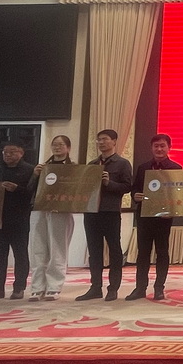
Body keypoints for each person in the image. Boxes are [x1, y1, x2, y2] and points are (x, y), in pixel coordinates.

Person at [76, 129, 133, 302]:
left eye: (105, 139)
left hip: (110, 212)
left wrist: (109, 183)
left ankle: (113, 288)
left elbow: (127, 187)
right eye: (99, 140)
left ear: (114, 141)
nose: (101, 142)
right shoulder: (92, 164)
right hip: (91, 212)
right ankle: (95, 287)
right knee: (94, 251)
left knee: (115, 249)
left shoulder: (122, 164)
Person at [126, 134, 182, 302]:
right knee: (143, 252)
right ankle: (140, 288)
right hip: (145, 216)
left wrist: (174, 209)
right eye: (156, 146)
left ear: (169, 147)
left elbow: (179, 194)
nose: (159, 149)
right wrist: (135, 195)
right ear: (151, 148)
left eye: (162, 146)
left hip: (164, 217)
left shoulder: (176, 168)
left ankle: (159, 288)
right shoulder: (143, 168)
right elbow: (135, 188)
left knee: (162, 252)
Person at [27, 135, 76, 301]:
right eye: (54, 144)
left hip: (60, 211)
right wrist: (35, 175)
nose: (57, 147)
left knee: (58, 249)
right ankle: (37, 287)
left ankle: (54, 287)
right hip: (39, 210)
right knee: (37, 248)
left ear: (68, 148)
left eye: (61, 144)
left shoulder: (73, 168)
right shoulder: (42, 167)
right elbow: (29, 189)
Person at [0, 143, 34, 301]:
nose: (8, 155)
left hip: (20, 218)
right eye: (5, 152)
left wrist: (17, 188)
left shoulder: (30, 170)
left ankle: (19, 288)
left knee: (20, 254)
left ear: (21, 153)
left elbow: (34, 194)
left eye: (12, 152)